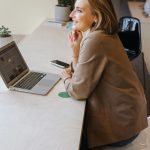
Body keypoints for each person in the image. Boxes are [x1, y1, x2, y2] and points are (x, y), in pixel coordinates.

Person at [61, 0, 148, 149]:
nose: (71, 14)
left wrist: (66, 78)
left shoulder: (96, 40)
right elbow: (83, 75)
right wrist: (76, 53)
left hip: (121, 127)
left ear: (96, 16)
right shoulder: (101, 34)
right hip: (129, 120)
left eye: (79, 10)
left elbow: (78, 90)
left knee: (67, 138)